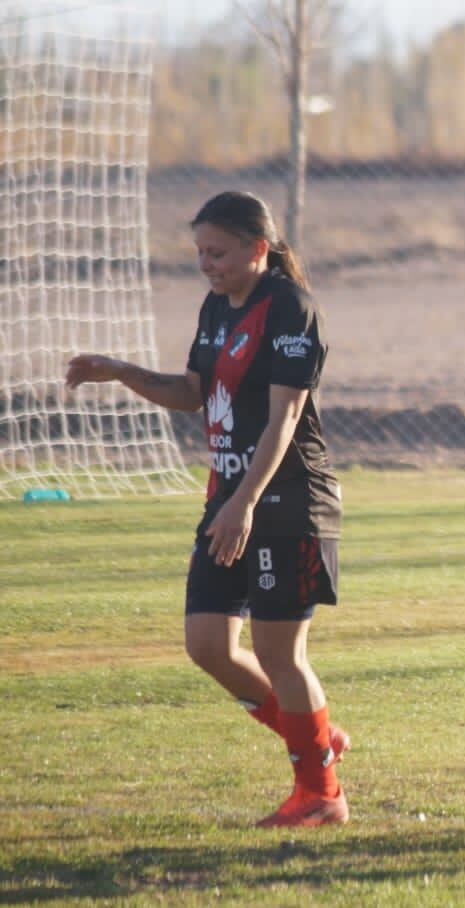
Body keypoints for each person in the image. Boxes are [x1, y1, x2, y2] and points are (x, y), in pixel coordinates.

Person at [65, 191, 348, 828]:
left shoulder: (290, 309)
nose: (205, 264)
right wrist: (119, 370)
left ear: (257, 248)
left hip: (284, 504)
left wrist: (244, 503)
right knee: (207, 644)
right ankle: (316, 741)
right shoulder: (218, 307)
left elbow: (285, 420)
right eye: (199, 252)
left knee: (281, 656)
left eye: (217, 252)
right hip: (229, 502)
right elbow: (194, 392)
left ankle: (322, 794)